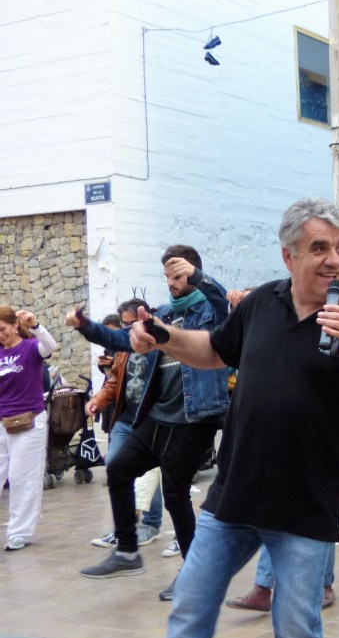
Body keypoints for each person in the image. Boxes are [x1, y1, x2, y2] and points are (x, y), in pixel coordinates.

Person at [135, 198, 339, 638]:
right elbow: (214, 350)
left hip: (306, 507)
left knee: (296, 631)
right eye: (319, 248)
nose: (334, 260)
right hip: (234, 495)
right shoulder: (262, 302)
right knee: (191, 608)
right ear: (289, 256)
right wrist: (164, 337)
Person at [71, 247, 231, 602]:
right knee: (117, 469)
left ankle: (193, 576)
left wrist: (200, 278)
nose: (172, 284)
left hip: (194, 419)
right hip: (157, 416)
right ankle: (128, 551)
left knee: (175, 496)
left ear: (193, 273)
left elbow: (227, 308)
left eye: (178, 276)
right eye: (168, 278)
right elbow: (123, 341)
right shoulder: (160, 315)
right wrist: (86, 327)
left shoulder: (210, 313)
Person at [86, 299, 166, 550]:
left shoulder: (160, 345)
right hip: (126, 417)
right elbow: (114, 381)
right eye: (125, 324)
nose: (129, 329)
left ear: (146, 319)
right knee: (115, 465)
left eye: (134, 323)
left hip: (151, 420)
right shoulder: (123, 348)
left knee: (146, 473)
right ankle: (127, 527)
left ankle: (150, 524)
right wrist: (97, 400)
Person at [0, 307, 57, 551]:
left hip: (29, 423)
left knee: (22, 478)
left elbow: (50, 346)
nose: (0, 335)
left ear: (14, 325)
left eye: (2, 329)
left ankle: (19, 533)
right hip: (1, 422)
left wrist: (35, 325)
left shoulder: (31, 347)